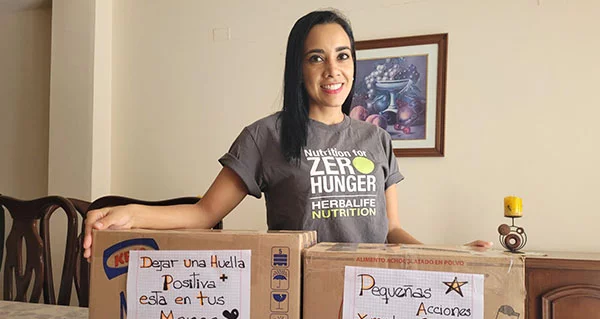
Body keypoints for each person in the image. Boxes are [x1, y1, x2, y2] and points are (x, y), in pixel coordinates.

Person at [83, 10, 491, 259]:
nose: (333, 69)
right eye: (317, 58)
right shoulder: (266, 135)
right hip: (295, 297)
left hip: (373, 298)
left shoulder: (376, 140)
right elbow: (204, 214)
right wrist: (130, 213)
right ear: (299, 69)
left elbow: (390, 231)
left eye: (343, 55)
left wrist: (451, 255)